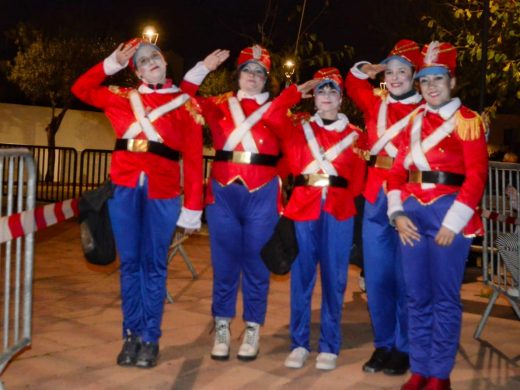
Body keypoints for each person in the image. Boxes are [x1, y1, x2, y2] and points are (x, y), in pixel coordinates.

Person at [71, 38, 204, 368]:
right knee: (130, 264)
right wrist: (110, 62)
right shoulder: (119, 98)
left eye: (155, 56)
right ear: (137, 71)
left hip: (164, 193)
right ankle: (130, 334)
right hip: (126, 189)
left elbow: (194, 158)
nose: (150, 62)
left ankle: (150, 338)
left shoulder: (185, 104)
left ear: (164, 61)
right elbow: (81, 88)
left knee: (154, 265)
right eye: (142, 61)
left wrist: (193, 207)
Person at [386, 41, 488, 390]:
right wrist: (397, 214)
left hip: (449, 214)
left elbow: (476, 176)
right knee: (416, 296)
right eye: (425, 80)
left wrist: (454, 222)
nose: (431, 86)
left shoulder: (468, 121)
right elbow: (396, 173)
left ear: (452, 83)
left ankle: (439, 374)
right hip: (411, 217)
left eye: (438, 79)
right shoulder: (412, 121)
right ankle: (419, 368)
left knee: (444, 297)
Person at [182, 45, 282, 361]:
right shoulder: (218, 105)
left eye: (259, 72)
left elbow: (294, 150)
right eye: (247, 70)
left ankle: (253, 327)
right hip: (223, 193)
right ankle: (222, 324)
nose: (252, 77)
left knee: (256, 264)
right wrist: (201, 68)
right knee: (224, 263)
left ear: (267, 78)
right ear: (237, 74)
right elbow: (184, 99)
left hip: (262, 193)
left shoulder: (279, 108)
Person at [263, 68, 366, 371]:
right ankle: (298, 344)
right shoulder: (298, 128)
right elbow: (271, 115)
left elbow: (358, 182)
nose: (326, 97)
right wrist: (296, 90)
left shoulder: (357, 136)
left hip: (338, 210)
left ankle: (329, 345)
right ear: (314, 96)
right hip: (304, 208)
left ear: (341, 98)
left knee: (335, 280)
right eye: (320, 91)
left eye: (332, 91)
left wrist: (342, 200)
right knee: (302, 279)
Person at [345, 39, 423, 376]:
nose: (394, 77)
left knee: (407, 278)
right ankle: (384, 345)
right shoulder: (373, 102)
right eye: (389, 72)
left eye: (401, 71)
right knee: (377, 278)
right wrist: (370, 68)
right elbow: (352, 82)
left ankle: (406, 348)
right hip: (375, 194)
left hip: (409, 196)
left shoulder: (428, 109)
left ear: (415, 75)